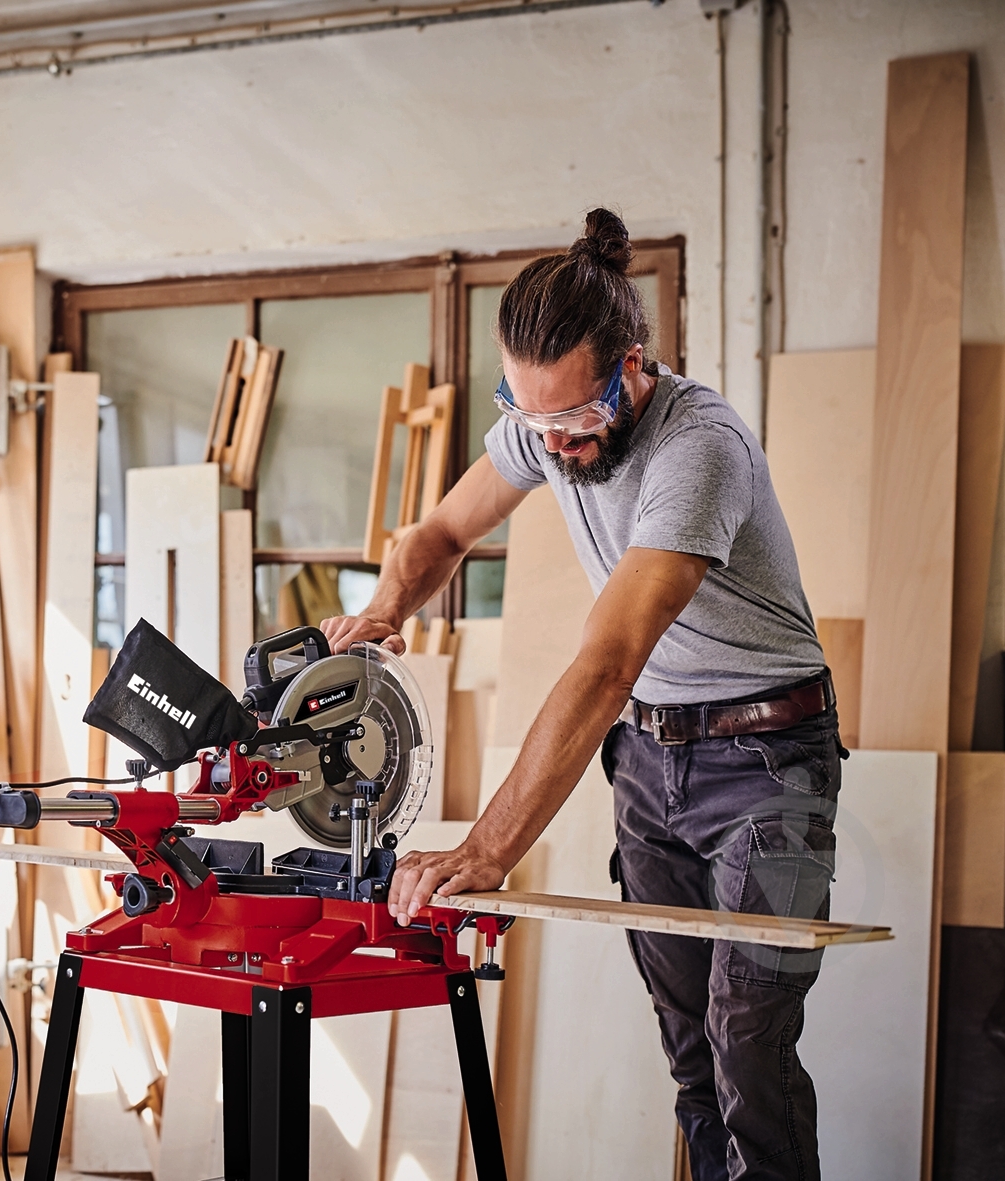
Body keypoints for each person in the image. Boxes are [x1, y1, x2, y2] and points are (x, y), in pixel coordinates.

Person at [321, 209, 842, 1181]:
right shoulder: (543, 422)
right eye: (531, 419)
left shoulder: (698, 450)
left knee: (748, 1042)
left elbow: (606, 664)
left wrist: (487, 847)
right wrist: (385, 610)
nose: (553, 445)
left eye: (572, 419)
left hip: (767, 766)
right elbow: (439, 533)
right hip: (648, 761)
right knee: (689, 1045)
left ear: (630, 367)